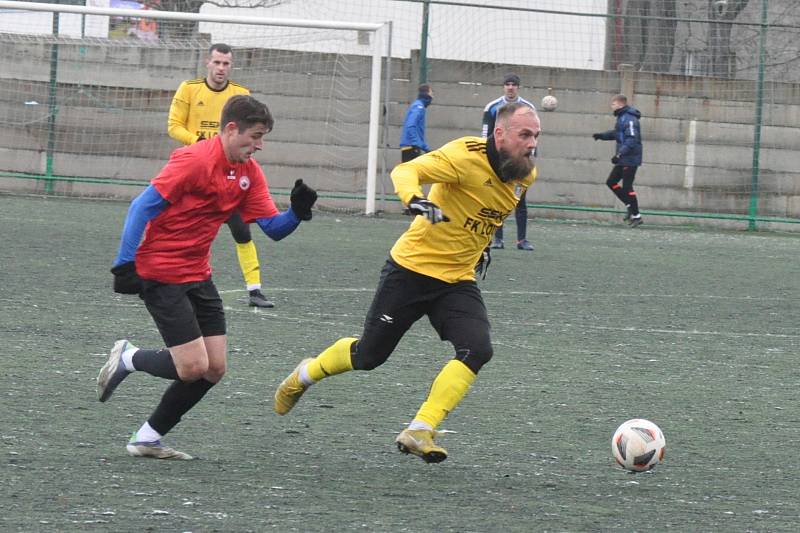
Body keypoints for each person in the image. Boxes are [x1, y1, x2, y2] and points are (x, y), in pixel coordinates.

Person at [273, 103, 540, 463]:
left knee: (478, 348)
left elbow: (484, 212)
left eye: (536, 136)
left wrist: (482, 245)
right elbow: (407, 170)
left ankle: (420, 428)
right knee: (369, 356)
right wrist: (414, 199)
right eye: (525, 135)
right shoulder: (462, 155)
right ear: (499, 134)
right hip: (411, 271)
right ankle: (303, 375)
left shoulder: (524, 173)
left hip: (457, 281)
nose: (532, 143)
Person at [98, 95, 318, 459]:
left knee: (214, 369)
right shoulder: (194, 160)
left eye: (263, 137)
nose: (259, 145)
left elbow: (274, 229)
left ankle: (147, 438)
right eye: (256, 136)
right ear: (232, 129)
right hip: (160, 272)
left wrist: (297, 212)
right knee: (193, 367)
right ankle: (129, 358)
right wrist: (125, 264)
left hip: (198, 273)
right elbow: (141, 206)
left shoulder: (249, 172)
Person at [168, 43, 274, 308]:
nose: (221, 68)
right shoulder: (189, 89)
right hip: (196, 173)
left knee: (241, 229)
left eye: (226, 64)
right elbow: (173, 126)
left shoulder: (240, 94)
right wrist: (200, 141)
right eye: (217, 63)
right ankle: (171, 281)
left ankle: (255, 289)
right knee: (183, 228)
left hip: (229, 176)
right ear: (208, 62)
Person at [482, 73, 536, 251]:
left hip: (520, 159)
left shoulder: (528, 107)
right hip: (499, 159)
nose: (510, 87)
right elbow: (485, 134)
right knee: (498, 198)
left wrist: (530, 153)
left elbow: (533, 132)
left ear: (518, 87)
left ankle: (522, 240)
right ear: (503, 87)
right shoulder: (492, 107)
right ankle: (498, 239)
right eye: (507, 84)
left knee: (520, 199)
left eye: (513, 84)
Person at [592, 94, 643, 227]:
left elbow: (632, 139)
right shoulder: (622, 117)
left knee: (627, 187)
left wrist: (619, 154)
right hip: (624, 158)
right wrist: (601, 136)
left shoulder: (630, 119)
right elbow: (617, 133)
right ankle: (629, 207)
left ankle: (636, 215)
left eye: (613, 104)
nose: (611, 106)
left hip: (630, 159)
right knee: (611, 182)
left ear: (620, 104)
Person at [399, 84, 433, 162]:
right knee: (410, 173)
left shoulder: (417, 105)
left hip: (411, 146)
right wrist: (418, 143)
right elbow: (411, 125)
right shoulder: (418, 107)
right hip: (411, 147)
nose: (432, 97)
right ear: (426, 94)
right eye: (431, 94)